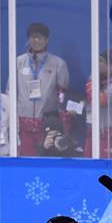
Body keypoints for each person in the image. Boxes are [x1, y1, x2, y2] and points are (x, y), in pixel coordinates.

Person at [15, 22, 70, 157]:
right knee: (25, 163)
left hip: (47, 126)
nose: (36, 40)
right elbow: (10, 92)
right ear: (28, 39)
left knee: (45, 163)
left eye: (40, 37)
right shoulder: (18, 62)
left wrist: (61, 121)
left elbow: (64, 94)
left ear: (47, 40)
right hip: (23, 126)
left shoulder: (58, 64)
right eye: (33, 37)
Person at [85, 49, 112, 159]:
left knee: (104, 170)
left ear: (110, 66)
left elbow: (100, 101)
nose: (98, 65)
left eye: (101, 62)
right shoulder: (98, 80)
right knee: (88, 167)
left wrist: (92, 78)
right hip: (92, 131)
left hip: (106, 134)